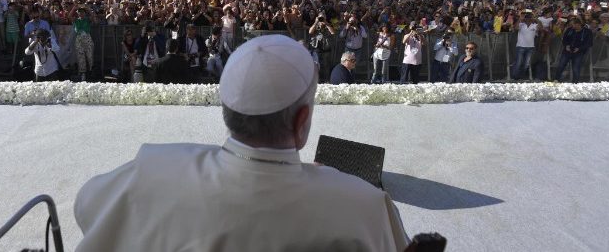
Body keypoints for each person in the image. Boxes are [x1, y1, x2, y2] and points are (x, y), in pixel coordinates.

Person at [74, 35, 409, 252]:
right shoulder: (364, 204)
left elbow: (85, 208)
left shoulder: (153, 168)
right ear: (301, 119)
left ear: (226, 110)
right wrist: (326, 181)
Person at [556, 18, 593, 83]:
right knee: (561, 65)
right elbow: (564, 39)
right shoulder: (569, 30)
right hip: (567, 51)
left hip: (579, 52)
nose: (571, 26)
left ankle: (575, 81)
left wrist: (579, 48)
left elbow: (589, 43)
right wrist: (566, 45)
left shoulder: (587, 32)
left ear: (578, 24)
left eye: (572, 25)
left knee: (576, 67)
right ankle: (556, 79)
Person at [512, 11, 538, 80]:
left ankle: (521, 76)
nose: (528, 19)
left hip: (530, 47)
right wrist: (520, 19)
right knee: (518, 62)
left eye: (530, 17)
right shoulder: (521, 24)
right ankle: (515, 77)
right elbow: (515, 28)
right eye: (527, 17)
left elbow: (541, 28)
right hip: (520, 46)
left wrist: (537, 19)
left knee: (526, 64)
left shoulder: (534, 25)